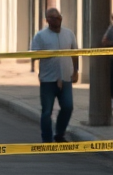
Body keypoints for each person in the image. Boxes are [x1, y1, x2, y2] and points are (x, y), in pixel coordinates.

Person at [30, 8, 79, 143]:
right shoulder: (40, 36)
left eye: (57, 17)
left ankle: (60, 134)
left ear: (61, 18)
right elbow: (33, 55)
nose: (55, 20)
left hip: (66, 78)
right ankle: (46, 139)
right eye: (51, 18)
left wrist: (76, 71)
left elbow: (74, 53)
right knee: (47, 111)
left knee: (68, 106)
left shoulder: (69, 34)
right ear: (47, 20)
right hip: (48, 79)